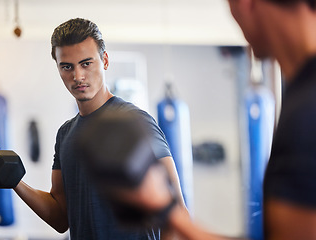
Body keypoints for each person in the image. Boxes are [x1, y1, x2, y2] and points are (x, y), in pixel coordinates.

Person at [95, 0, 316, 240]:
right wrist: (167, 211)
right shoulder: (302, 98)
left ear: (245, 4)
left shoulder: (306, 111)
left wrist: (165, 209)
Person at [0, 18, 187, 240]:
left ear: (104, 60)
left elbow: (177, 212)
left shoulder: (134, 122)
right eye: (67, 66)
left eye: (86, 63)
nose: (77, 76)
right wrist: (13, 180)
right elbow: (60, 218)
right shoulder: (65, 134)